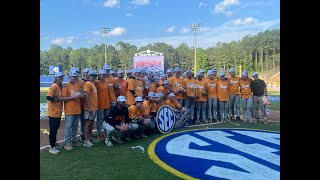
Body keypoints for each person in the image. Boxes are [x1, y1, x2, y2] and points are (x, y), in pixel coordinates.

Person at [47, 72, 71, 154]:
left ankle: (54, 143)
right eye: (60, 77)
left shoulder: (58, 86)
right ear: (56, 77)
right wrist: (58, 99)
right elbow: (49, 97)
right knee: (53, 130)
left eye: (62, 77)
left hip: (57, 112)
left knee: (55, 128)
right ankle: (52, 147)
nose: (61, 78)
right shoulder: (54, 86)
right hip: (53, 112)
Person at [61, 70, 82, 151]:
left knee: (75, 126)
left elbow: (80, 94)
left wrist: (80, 96)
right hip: (69, 110)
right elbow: (63, 98)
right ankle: (67, 143)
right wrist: (71, 98)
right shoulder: (66, 86)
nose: (75, 78)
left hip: (77, 109)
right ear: (70, 77)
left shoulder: (77, 85)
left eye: (76, 77)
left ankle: (74, 141)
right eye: (74, 77)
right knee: (68, 126)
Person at [83, 70, 98, 147]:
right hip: (90, 108)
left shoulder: (92, 84)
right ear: (89, 76)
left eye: (95, 76)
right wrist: (89, 107)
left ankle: (90, 138)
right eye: (93, 76)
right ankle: (86, 140)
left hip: (94, 107)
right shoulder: (88, 83)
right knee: (88, 123)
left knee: (91, 123)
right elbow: (86, 95)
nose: (95, 77)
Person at [95, 69, 110, 141]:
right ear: (99, 75)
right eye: (102, 75)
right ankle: (99, 134)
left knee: (106, 119)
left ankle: (106, 132)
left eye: (104, 75)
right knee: (100, 120)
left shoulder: (107, 82)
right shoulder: (97, 83)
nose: (104, 76)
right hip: (100, 104)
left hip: (107, 104)